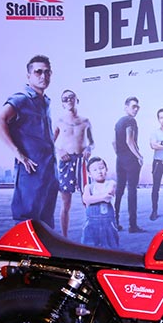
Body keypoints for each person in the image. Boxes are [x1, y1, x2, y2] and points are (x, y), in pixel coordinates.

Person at [0, 55, 58, 228]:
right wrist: (18, 154)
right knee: (27, 224)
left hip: (48, 171)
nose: (43, 76)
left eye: (47, 72)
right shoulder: (21, 98)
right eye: (38, 72)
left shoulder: (45, 101)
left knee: (46, 224)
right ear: (29, 76)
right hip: (31, 171)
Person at [52, 89, 94, 237]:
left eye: (71, 97)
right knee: (66, 203)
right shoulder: (59, 121)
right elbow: (50, 141)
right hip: (66, 162)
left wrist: (89, 148)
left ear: (77, 99)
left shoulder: (85, 121)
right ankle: (65, 237)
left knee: (87, 199)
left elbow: (92, 142)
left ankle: (92, 234)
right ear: (62, 104)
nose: (68, 100)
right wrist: (59, 151)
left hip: (82, 162)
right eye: (65, 99)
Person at [113, 96, 144, 233]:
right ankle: (133, 225)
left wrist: (120, 154)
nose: (136, 109)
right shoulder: (131, 121)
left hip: (120, 159)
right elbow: (130, 141)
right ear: (126, 108)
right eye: (133, 106)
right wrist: (139, 156)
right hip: (131, 160)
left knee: (119, 191)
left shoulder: (119, 122)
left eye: (137, 107)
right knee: (132, 191)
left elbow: (113, 142)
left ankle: (115, 222)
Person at [80, 157, 119, 249]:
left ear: (106, 169)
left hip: (108, 222)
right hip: (91, 223)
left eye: (102, 168)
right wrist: (102, 197)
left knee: (111, 246)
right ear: (89, 174)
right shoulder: (88, 187)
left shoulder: (111, 183)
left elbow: (108, 197)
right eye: (95, 170)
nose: (99, 171)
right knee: (89, 247)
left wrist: (92, 199)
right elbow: (86, 200)